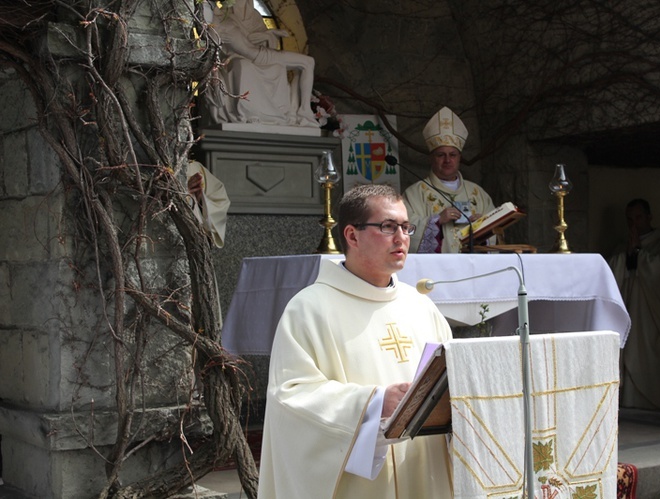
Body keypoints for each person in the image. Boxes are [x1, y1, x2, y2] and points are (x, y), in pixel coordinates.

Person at [258, 184, 454, 499]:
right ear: (352, 236)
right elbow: (290, 399)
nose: (401, 237)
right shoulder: (308, 309)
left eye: (406, 227)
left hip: (422, 471)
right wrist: (374, 404)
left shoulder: (421, 305)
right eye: (388, 226)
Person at [609, 198, 660, 411]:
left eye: (639, 217)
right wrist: (628, 255)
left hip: (653, 315)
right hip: (632, 312)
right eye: (630, 219)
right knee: (631, 354)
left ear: (649, 217)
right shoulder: (624, 246)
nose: (634, 224)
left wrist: (639, 254)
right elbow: (613, 273)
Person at [205, 0, 318, 128]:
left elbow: (248, 38)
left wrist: (269, 34)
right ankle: (302, 113)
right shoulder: (219, 25)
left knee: (306, 63)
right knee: (244, 65)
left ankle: (297, 113)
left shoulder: (251, 17)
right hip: (257, 57)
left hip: (262, 53)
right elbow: (214, 52)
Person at [403, 107, 495, 253]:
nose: (447, 160)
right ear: (431, 158)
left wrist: (483, 227)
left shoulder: (478, 193)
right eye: (441, 155)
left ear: (459, 158)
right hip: (435, 272)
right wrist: (436, 221)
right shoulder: (414, 193)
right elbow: (405, 232)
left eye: (452, 155)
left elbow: (496, 234)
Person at [186, 160, 230, 248]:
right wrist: (183, 192)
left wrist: (202, 200)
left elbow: (219, 198)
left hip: (193, 242)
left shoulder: (194, 167)